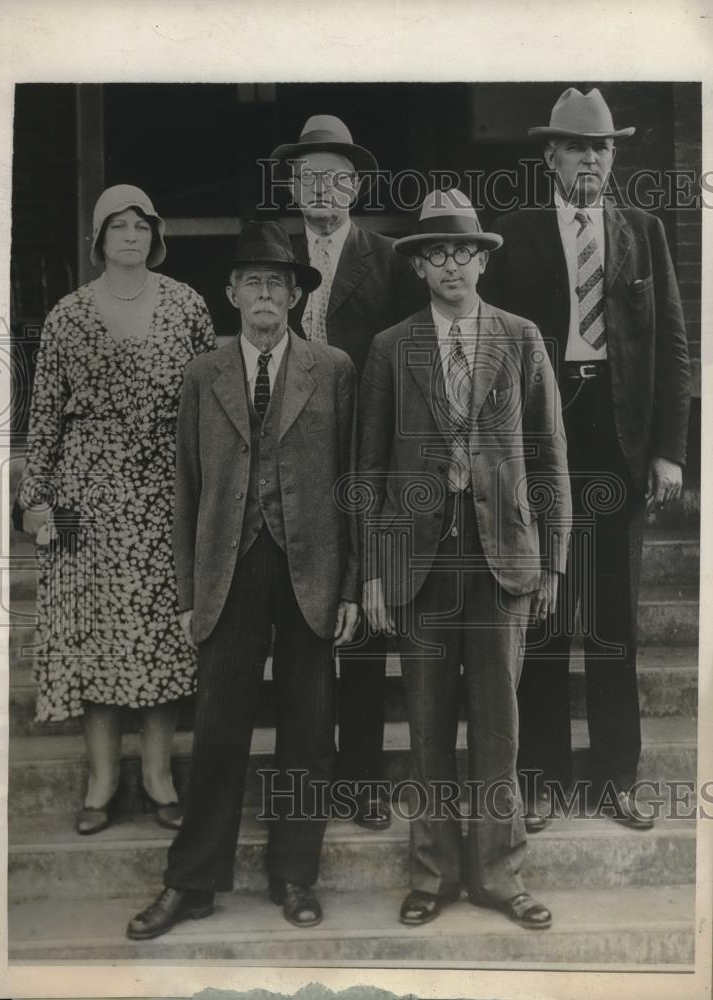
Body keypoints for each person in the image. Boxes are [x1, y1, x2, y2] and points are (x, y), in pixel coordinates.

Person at [126, 220, 359, 940]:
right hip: (229, 566)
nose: (265, 294)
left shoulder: (334, 368)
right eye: (252, 282)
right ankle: (192, 881)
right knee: (221, 728)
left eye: (278, 283)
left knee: (308, 729)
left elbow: (354, 485)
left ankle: (295, 875)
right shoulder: (205, 373)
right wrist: (189, 589)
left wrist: (351, 585)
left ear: (295, 296)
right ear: (230, 293)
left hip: (311, 569)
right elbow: (186, 488)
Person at [480, 87, 692, 831]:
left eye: (602, 148)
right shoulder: (514, 233)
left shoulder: (642, 231)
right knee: (540, 612)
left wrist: (669, 450)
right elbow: (492, 352)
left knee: (611, 622)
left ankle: (615, 778)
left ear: (613, 158)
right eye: (576, 147)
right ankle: (538, 779)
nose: (591, 159)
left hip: (618, 441)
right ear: (550, 157)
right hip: (540, 442)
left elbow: (672, 347)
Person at [358, 189, 571, 930]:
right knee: (425, 723)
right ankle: (434, 872)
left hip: (502, 555)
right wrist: (376, 569)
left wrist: (552, 559)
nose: (452, 266)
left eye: (464, 253)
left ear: (483, 261)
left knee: (498, 723)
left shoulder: (520, 338)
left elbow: (548, 456)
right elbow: (372, 466)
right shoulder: (391, 348)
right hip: (420, 560)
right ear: (419, 268)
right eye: (436, 254)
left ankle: (499, 873)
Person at [16, 184, 217, 835]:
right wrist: (33, 504)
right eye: (117, 227)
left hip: (166, 493)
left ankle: (158, 776)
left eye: (140, 226)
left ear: (153, 236)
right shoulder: (69, 314)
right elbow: (44, 415)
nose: (130, 236)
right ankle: (101, 781)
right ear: (98, 238)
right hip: (85, 497)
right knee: (94, 635)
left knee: (162, 637)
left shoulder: (185, 304)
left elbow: (215, 400)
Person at [270, 114, 427, 829]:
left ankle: (362, 782)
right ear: (293, 186)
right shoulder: (271, 257)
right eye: (309, 178)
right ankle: (310, 778)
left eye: (336, 178)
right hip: (290, 458)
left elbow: (405, 362)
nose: (322, 189)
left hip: (365, 459)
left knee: (362, 619)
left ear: (356, 187)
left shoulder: (389, 258)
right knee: (304, 624)